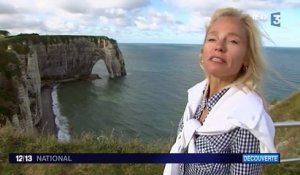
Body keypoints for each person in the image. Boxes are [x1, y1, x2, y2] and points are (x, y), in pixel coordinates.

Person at [164, 7, 276, 175]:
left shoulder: (247, 117)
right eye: (212, 38)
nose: (219, 46)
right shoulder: (197, 96)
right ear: (203, 52)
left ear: (246, 58)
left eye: (233, 41)